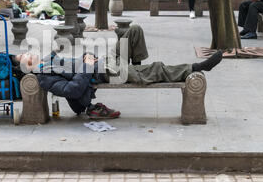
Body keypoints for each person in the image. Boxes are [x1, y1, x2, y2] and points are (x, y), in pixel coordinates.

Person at [13, 25, 223, 120]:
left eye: (27, 53)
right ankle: (195, 68)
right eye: (27, 60)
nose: (31, 55)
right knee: (157, 67)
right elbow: (74, 90)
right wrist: (87, 64)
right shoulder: (45, 79)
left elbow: (75, 63)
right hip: (104, 73)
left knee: (134, 31)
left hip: (103, 62)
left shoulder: (49, 59)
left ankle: (136, 70)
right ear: (28, 70)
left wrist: (86, 56)